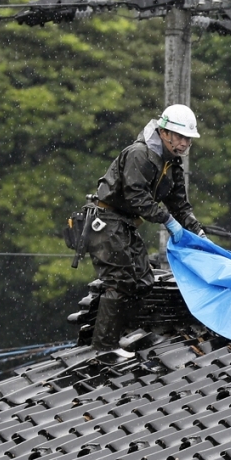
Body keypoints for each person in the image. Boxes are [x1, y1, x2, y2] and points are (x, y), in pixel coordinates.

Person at [87, 104, 206, 352]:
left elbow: (180, 205)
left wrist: (198, 232)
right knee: (120, 282)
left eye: (188, 139)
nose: (184, 144)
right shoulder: (139, 154)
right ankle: (103, 348)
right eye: (181, 137)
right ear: (164, 133)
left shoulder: (171, 165)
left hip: (126, 226)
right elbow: (136, 196)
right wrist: (167, 220)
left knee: (143, 281)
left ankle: (122, 335)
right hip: (106, 222)